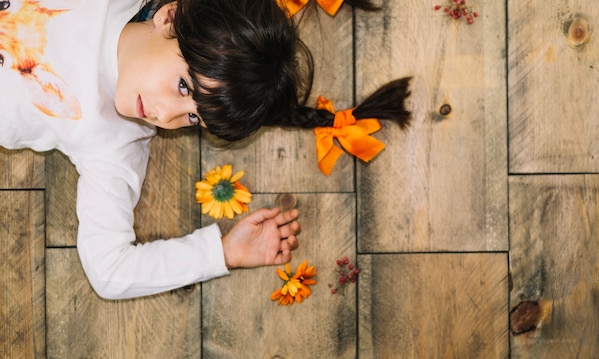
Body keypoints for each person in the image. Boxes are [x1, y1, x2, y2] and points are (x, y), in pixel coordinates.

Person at [0, 0, 410, 300]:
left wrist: (221, 252)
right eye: (184, 87)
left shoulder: (116, 145)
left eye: (193, 118)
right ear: (169, 17)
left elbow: (108, 270)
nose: (166, 114)